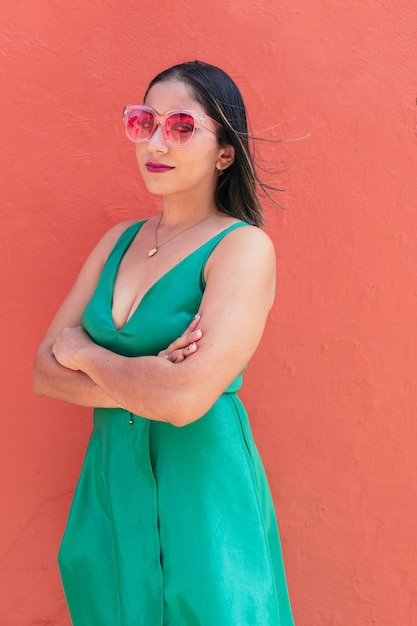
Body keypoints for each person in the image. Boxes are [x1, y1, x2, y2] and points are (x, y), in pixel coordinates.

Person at [33, 60, 294, 625]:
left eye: (180, 126)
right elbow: (43, 372)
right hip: (108, 490)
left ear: (225, 151)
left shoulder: (242, 249)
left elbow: (183, 402)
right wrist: (152, 377)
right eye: (143, 121)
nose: (156, 140)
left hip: (202, 495)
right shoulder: (116, 242)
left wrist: (85, 354)